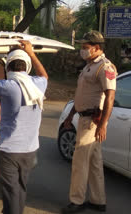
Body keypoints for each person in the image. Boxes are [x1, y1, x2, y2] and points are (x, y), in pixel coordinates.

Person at [0, 41, 48, 214]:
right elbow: (44, 75)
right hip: (30, 150)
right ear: (27, 66)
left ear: (8, 67)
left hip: (8, 152)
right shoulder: (38, 85)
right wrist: (32, 53)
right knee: (19, 189)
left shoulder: (6, 86)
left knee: (11, 193)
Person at [61, 31, 117, 214]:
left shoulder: (105, 67)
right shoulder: (88, 67)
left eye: (85, 47)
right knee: (94, 163)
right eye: (82, 47)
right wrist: (70, 116)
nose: (82, 51)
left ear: (97, 48)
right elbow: (82, 95)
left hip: (92, 121)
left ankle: (76, 201)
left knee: (79, 163)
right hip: (84, 117)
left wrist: (102, 125)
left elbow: (109, 97)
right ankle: (98, 200)